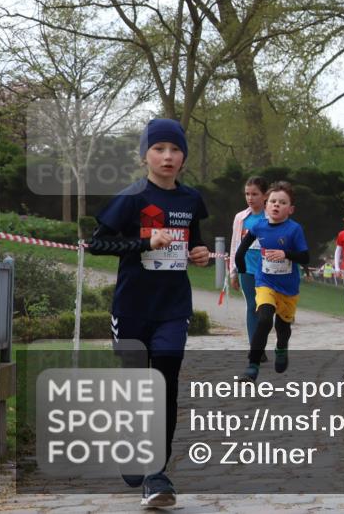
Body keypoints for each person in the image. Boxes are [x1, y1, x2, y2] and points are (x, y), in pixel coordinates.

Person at [86, 118, 211, 508]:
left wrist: (201, 254)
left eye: (175, 150)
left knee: (165, 384)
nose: (168, 157)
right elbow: (97, 244)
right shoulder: (131, 197)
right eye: (159, 149)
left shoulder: (191, 200)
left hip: (173, 307)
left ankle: (157, 474)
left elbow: (198, 244)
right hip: (133, 307)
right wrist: (143, 240)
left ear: (184, 157)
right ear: (145, 155)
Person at [236, 181, 309, 382]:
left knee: (283, 328)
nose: (276, 205)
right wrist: (240, 268)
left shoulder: (294, 229)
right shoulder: (259, 227)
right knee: (264, 319)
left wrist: (286, 253)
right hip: (265, 282)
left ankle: (281, 347)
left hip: (288, 287)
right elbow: (241, 249)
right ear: (266, 205)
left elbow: (305, 257)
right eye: (273, 201)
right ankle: (253, 365)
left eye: (282, 202)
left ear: (290, 209)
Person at [228, 176, 269, 360]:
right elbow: (235, 244)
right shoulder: (240, 218)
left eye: (255, 194)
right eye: (247, 194)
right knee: (252, 306)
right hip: (246, 268)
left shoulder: (272, 216)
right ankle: (256, 348)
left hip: (268, 270)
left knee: (265, 309)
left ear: (265, 195)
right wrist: (233, 272)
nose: (250, 198)